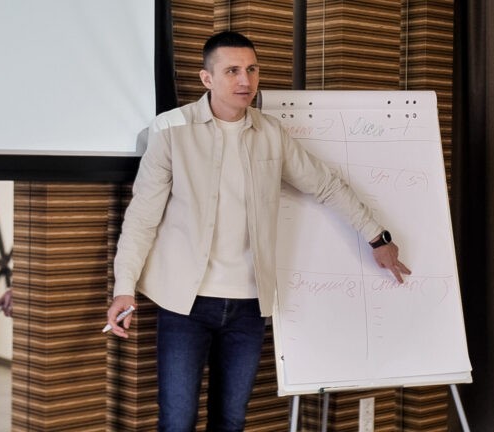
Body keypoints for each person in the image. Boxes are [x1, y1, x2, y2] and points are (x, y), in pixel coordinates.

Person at [106, 31, 411, 432]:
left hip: (249, 305)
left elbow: (326, 185)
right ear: (206, 78)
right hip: (184, 302)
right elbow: (142, 217)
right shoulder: (170, 130)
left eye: (252, 70)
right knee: (177, 421)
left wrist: (377, 237)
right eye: (232, 71)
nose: (245, 81)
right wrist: (124, 287)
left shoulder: (271, 134)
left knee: (231, 421)